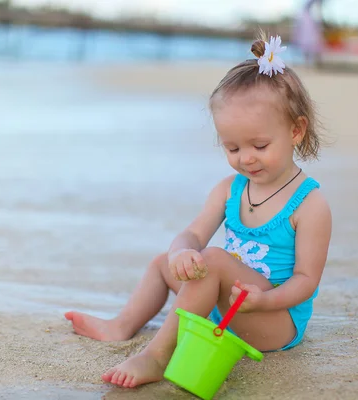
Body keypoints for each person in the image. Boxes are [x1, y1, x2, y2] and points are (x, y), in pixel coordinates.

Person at [65, 33, 332, 388]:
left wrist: (265, 301)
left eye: (260, 145)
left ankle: (157, 356)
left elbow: (305, 282)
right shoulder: (229, 190)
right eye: (233, 147)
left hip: (273, 319)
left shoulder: (310, 204)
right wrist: (182, 252)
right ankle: (122, 324)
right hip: (224, 304)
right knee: (164, 262)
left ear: (296, 130)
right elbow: (193, 234)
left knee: (216, 260)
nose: (246, 158)